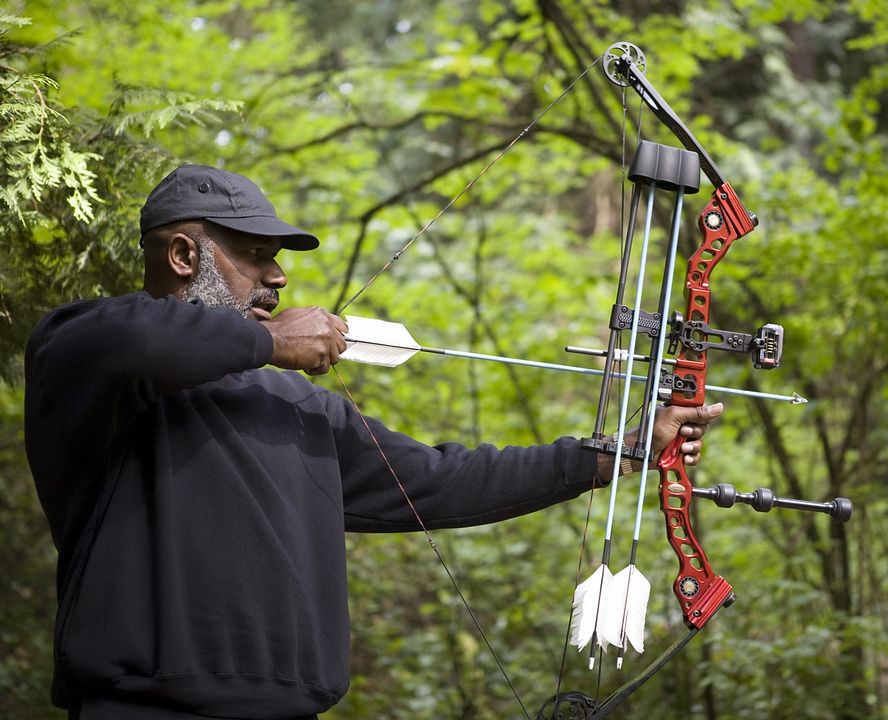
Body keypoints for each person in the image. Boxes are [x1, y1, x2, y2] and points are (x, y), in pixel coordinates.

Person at [24, 164, 724, 720]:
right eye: (256, 256)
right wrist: (270, 340)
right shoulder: (89, 359)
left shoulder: (300, 408)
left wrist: (625, 449)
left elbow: (445, 480)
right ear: (183, 254)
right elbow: (136, 340)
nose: (278, 277)